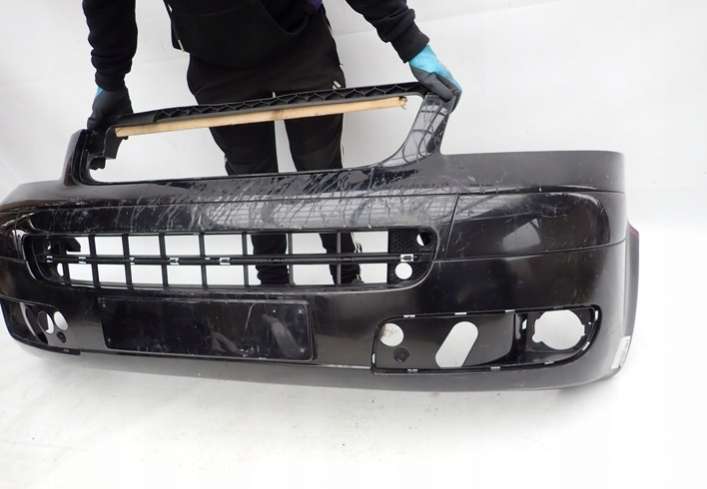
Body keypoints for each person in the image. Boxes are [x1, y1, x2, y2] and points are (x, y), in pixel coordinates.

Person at [82, 0, 461, 286]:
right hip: (216, 59)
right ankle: (272, 286)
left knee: (320, 172)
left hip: (300, 41)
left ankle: (346, 276)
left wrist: (411, 44)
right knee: (251, 182)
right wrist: (109, 82)